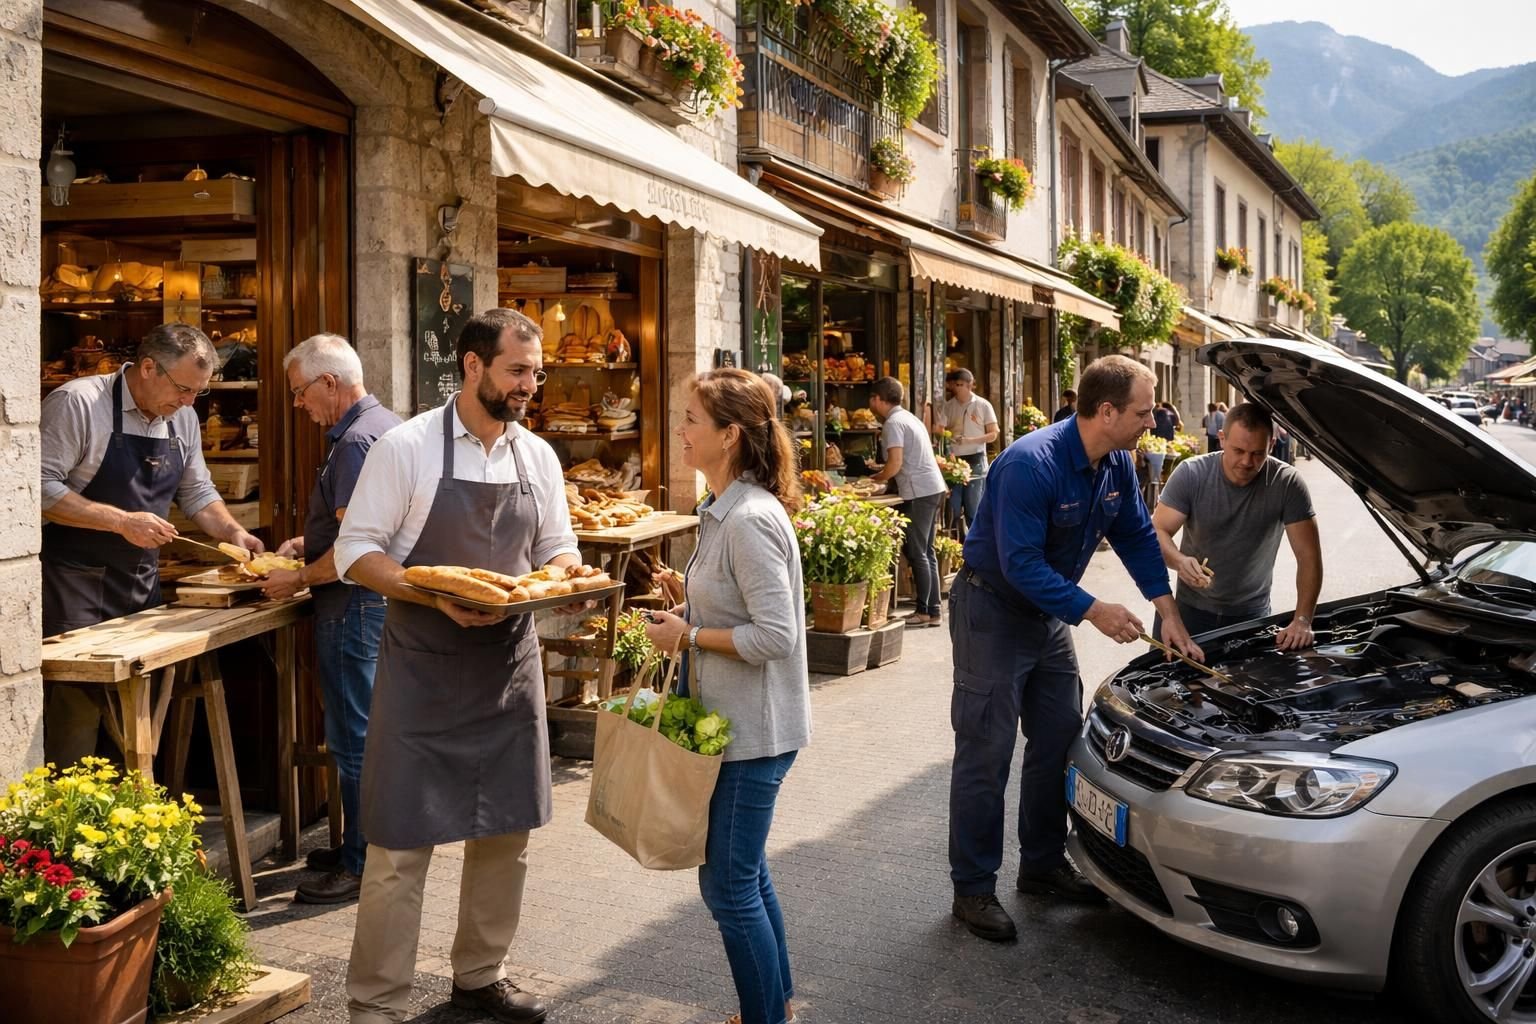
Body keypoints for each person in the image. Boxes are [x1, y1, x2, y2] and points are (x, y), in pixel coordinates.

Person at [332, 308, 576, 1024]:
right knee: (400, 846)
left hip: (507, 666)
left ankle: (479, 976)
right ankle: (375, 1005)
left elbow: (558, 547)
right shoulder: (406, 447)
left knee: (506, 833)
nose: (531, 384)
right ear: (473, 367)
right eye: (518, 370)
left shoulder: (537, 456)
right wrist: (431, 594)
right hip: (423, 669)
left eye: (536, 371)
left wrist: (564, 576)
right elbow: (356, 552)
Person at [947, 355, 1203, 943]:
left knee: (1059, 740)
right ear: (1106, 410)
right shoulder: (1029, 466)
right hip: (994, 613)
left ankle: (1040, 866)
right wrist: (1094, 610)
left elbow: (1137, 534)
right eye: (1143, 411)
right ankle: (973, 888)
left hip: (1048, 617)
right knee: (986, 752)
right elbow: (1022, 564)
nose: (1153, 420)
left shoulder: (1116, 460)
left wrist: (1168, 614)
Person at [642, 368, 812, 1024]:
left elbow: (777, 635)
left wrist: (689, 636)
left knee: (727, 883)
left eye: (691, 419)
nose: (679, 429)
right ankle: (778, 1004)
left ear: (730, 435)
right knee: (746, 874)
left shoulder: (747, 519)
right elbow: (745, 607)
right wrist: (689, 605)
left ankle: (766, 1016)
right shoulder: (726, 509)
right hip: (738, 726)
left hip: (754, 732)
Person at [39, 322, 263, 764]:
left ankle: (134, 826)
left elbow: (197, 492)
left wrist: (232, 532)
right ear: (147, 367)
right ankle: (66, 827)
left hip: (140, 584)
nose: (188, 402)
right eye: (183, 389)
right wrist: (121, 521)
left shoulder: (181, 418)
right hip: (73, 586)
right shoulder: (79, 403)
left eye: (197, 393)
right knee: (78, 714)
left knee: (137, 718)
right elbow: (36, 487)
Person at [259, 334, 402, 905]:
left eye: (299, 393)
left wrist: (296, 575)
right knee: (367, 734)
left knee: (355, 741)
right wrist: (305, 541)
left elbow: (354, 545)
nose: (298, 405)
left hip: (353, 609)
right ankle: (360, 847)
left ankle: (360, 863)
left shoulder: (356, 443)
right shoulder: (383, 425)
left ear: (329, 382)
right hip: (369, 607)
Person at [1152, 402, 1321, 648]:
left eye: (1257, 454)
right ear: (1221, 439)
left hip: (1251, 617)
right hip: (1188, 611)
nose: (1246, 462)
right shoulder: (1192, 474)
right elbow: (1157, 531)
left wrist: (1303, 619)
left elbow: (1309, 557)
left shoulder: (1287, 483)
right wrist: (1179, 561)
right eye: (1238, 450)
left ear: (1271, 445)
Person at [866, 377, 948, 628]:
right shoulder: (910, 418)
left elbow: (895, 464)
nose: (870, 404)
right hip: (931, 488)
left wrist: (873, 479)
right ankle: (932, 609)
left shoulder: (893, 423)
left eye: (871, 399)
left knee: (917, 551)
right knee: (927, 550)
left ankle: (925, 610)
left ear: (879, 399)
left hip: (919, 491)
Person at [936, 368, 999, 533]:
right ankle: (957, 543)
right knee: (953, 506)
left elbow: (993, 434)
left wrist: (971, 440)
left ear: (970, 385)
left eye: (960, 384)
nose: (957, 388)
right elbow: (939, 429)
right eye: (954, 385)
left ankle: (977, 544)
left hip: (976, 457)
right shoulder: (948, 406)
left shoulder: (983, 405)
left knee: (973, 505)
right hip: (954, 459)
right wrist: (947, 436)